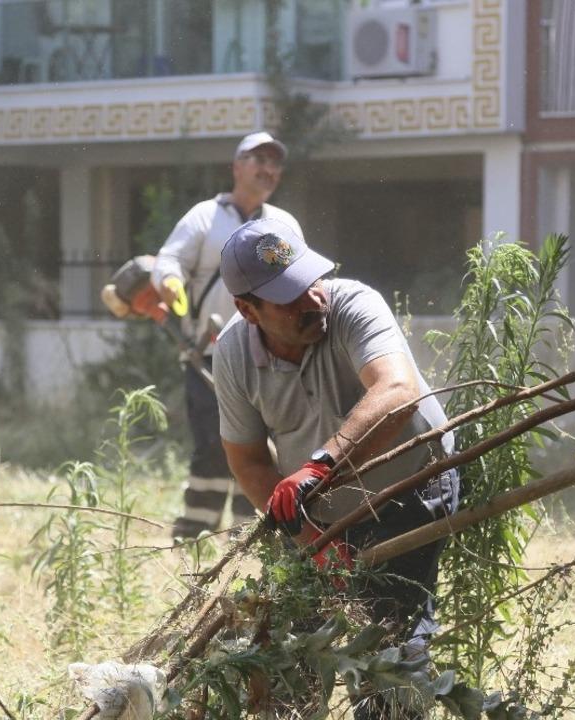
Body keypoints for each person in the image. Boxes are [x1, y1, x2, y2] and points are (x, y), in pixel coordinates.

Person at [213, 217, 459, 719]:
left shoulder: (353, 304)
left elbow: (398, 392)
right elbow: (250, 461)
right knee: (287, 653)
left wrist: (320, 467)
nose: (311, 301)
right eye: (288, 297)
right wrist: (313, 543)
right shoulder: (233, 354)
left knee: (387, 657)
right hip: (317, 514)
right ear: (247, 309)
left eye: (310, 281)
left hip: (410, 486)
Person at [148, 131, 304, 539]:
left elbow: (301, 278)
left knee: (266, 447)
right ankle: (194, 536)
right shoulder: (204, 216)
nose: (267, 170)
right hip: (209, 353)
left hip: (268, 356)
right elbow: (169, 260)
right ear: (237, 167)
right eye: (258, 160)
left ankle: (247, 537)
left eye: (274, 163)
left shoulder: (282, 224)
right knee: (214, 446)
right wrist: (170, 283)